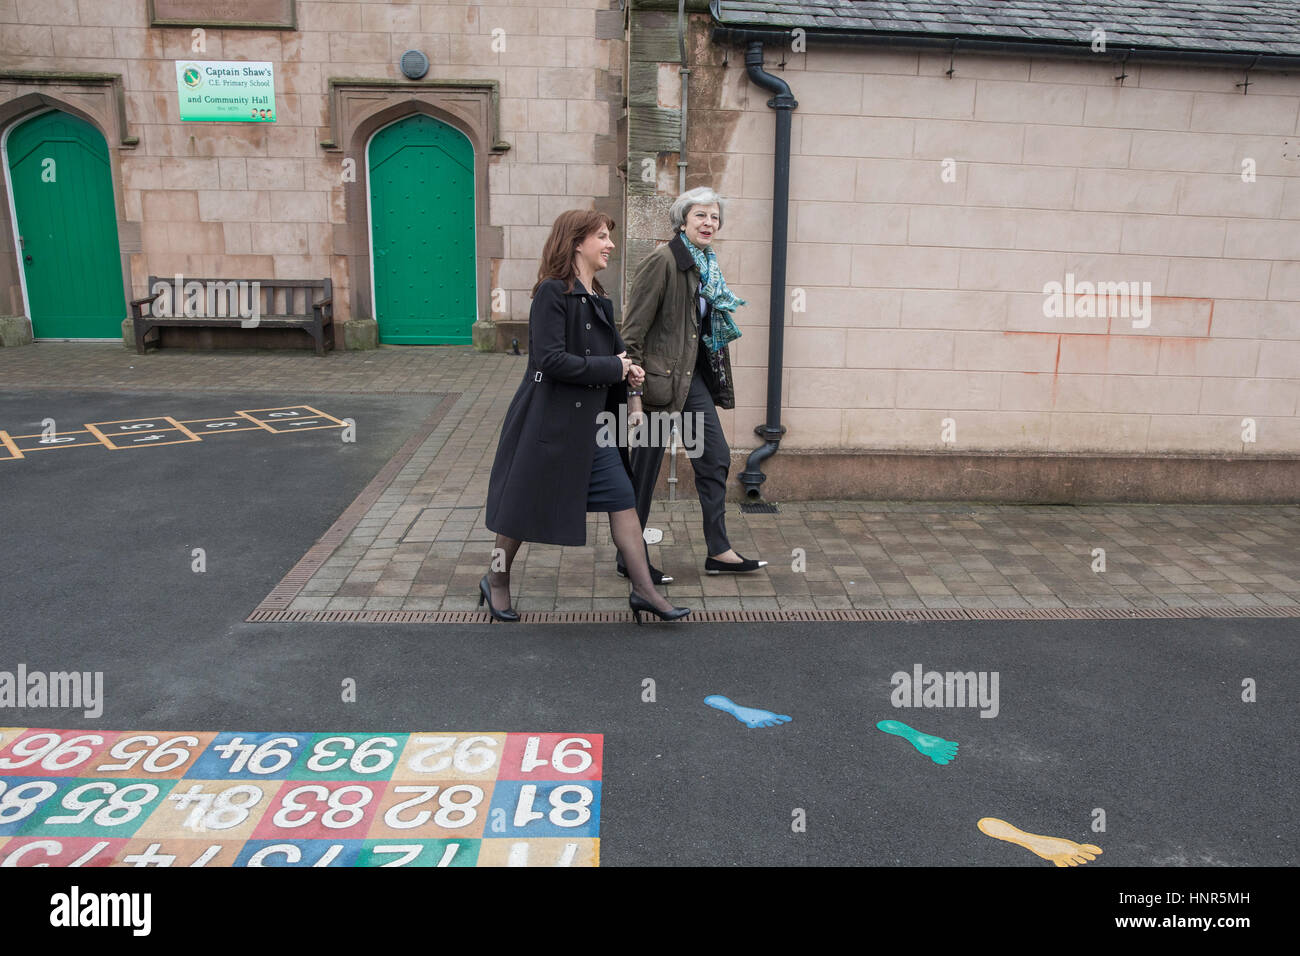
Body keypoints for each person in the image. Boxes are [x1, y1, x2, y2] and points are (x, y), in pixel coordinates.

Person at [482, 209, 690, 625]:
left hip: (594, 429)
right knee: (522, 510)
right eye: (601, 237)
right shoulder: (551, 294)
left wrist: (630, 380)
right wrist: (614, 367)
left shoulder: (599, 297)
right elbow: (551, 360)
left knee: (623, 501)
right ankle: (496, 580)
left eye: (608, 237)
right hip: (550, 424)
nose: (610, 244)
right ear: (577, 243)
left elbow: (618, 355)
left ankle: (643, 590)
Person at [618, 187, 767, 580]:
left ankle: (718, 551)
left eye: (714, 217)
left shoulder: (707, 266)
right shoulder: (664, 261)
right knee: (644, 472)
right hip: (657, 387)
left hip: (692, 383)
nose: (709, 223)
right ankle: (628, 559)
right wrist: (633, 392)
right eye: (700, 215)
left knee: (715, 457)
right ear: (682, 221)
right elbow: (632, 332)